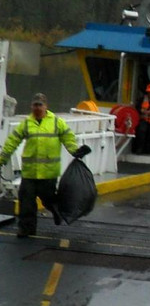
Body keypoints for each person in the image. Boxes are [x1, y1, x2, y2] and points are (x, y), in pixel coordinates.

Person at [0, 92, 90, 237]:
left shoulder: (56, 122)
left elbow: (68, 138)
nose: (37, 108)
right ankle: (26, 229)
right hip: (29, 173)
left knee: (48, 199)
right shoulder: (26, 123)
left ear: (46, 106)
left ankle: (56, 211)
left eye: (40, 105)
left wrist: (75, 151)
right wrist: (2, 159)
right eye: (35, 105)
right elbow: (12, 142)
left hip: (48, 172)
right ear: (31, 106)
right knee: (26, 201)